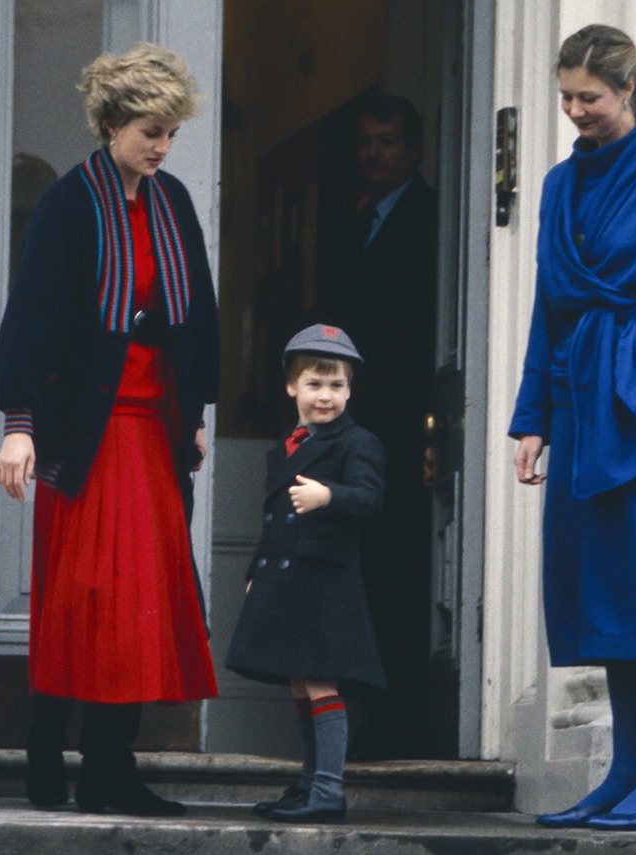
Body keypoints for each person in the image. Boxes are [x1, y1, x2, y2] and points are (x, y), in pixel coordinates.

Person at [0, 43, 220, 817]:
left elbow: (200, 321)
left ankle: (109, 768)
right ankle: (45, 748)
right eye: (150, 131)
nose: (161, 147)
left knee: (141, 604)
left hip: (154, 431)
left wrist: (193, 416)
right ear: (112, 122)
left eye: (170, 134)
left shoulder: (174, 201)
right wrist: (19, 426)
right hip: (83, 435)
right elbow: (32, 319)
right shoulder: (68, 204)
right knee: (83, 600)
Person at [510, 24, 636, 833]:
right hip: (585, 402)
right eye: (564, 98)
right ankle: (624, 774)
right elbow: (549, 308)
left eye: (588, 97)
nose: (574, 111)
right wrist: (533, 418)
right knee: (605, 590)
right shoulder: (560, 184)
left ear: (628, 88)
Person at [225, 323, 386, 823]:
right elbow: (272, 518)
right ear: (292, 387)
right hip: (287, 581)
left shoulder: (357, 442)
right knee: (301, 683)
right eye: (314, 385)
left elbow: (370, 499)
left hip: (324, 583)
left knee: (321, 683)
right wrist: (257, 568)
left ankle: (328, 790)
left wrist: (329, 496)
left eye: (336, 386)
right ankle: (308, 782)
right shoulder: (285, 447)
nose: (326, 396)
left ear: (349, 390)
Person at [322, 94, 438, 759]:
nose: (374, 152)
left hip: (399, 425)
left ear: (414, 149)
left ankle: (399, 723)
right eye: (366, 141)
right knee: (352, 568)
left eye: (387, 141)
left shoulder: (431, 217)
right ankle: (357, 719)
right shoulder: (349, 218)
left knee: (395, 572)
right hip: (348, 421)